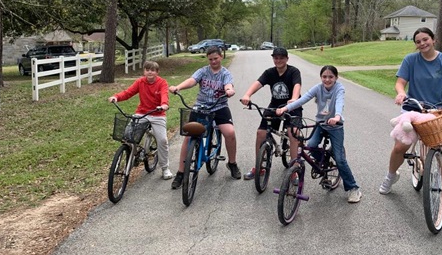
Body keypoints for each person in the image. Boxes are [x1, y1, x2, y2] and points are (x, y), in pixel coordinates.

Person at [379, 27, 442, 195]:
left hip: (438, 109)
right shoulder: (410, 61)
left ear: (434, 40)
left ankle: (437, 173)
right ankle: (391, 176)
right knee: (400, 146)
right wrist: (401, 93)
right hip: (414, 107)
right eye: (418, 41)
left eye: (425, 39)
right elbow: (400, 83)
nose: (422, 43)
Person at [276, 65, 362, 203]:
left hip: (335, 126)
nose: (327, 80)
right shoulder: (318, 88)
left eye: (330, 77)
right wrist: (285, 108)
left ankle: (353, 188)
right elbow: (302, 99)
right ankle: (325, 161)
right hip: (321, 124)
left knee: (340, 159)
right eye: (324, 77)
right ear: (321, 77)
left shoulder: (339, 88)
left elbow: (340, 102)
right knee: (311, 145)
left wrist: (337, 117)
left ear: (336, 78)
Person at [169, 46, 241, 188]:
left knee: (230, 133)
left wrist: (229, 90)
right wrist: (178, 87)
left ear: (221, 57)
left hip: (219, 107)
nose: (213, 61)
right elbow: (192, 80)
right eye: (210, 59)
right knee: (188, 137)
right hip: (201, 107)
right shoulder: (203, 71)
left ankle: (232, 163)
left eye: (216, 58)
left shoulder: (225, 74)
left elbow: (228, 85)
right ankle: (180, 172)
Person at [239, 47, 303, 180]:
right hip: (275, 106)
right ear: (273, 59)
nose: (278, 60)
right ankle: (259, 167)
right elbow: (258, 83)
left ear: (287, 59)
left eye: (281, 58)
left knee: (293, 133)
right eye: (276, 58)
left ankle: (294, 169)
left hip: (292, 106)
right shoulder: (269, 72)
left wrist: (294, 99)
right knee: (261, 133)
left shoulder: (293, 71)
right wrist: (247, 94)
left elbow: (297, 86)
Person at [108, 60, 173, 180]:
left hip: (157, 114)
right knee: (127, 136)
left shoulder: (162, 83)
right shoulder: (140, 82)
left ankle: (165, 168)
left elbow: (164, 95)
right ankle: (134, 154)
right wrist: (116, 97)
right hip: (141, 113)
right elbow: (128, 93)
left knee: (162, 140)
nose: (150, 72)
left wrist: (164, 105)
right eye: (147, 70)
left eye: (152, 70)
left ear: (157, 72)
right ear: (144, 71)